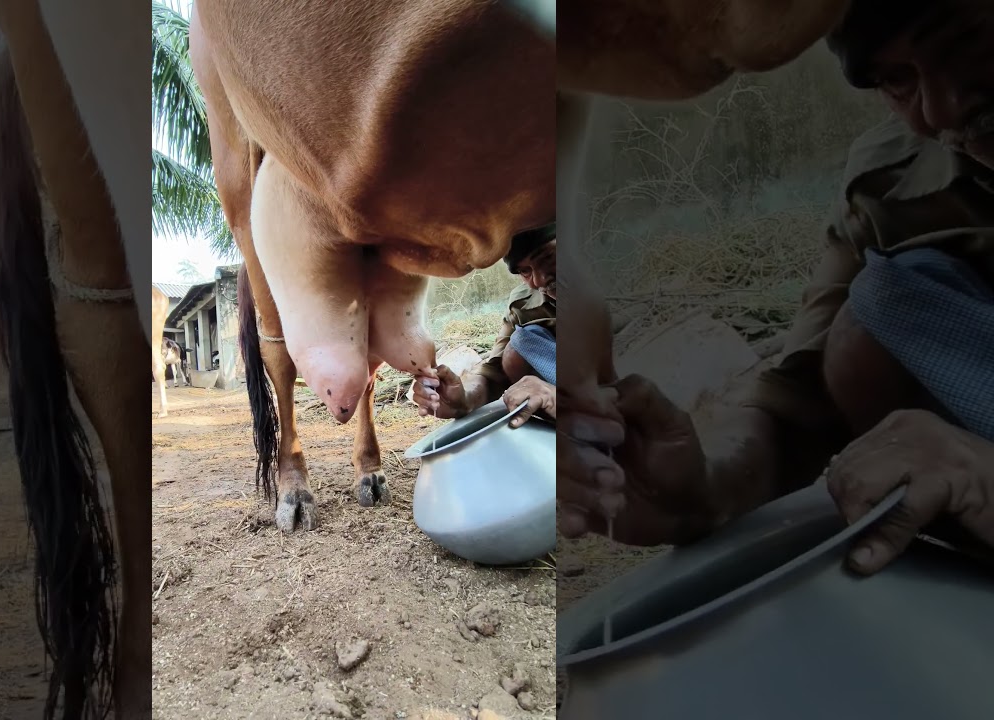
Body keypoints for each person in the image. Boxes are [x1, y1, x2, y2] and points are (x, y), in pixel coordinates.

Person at [561, 0, 994, 576]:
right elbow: (799, 402)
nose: (941, 110)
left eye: (963, 44)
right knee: (865, 329)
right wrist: (705, 488)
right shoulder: (890, 182)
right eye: (897, 80)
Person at [412, 223, 559, 428]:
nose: (538, 280)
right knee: (517, 348)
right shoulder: (524, 305)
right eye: (525, 272)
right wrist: (463, 398)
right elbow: (494, 375)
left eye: (547, 258)